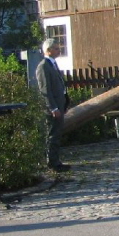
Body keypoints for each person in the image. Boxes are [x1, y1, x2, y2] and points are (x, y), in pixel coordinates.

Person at [35, 38, 70, 173]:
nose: (58, 50)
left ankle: (56, 160)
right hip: (52, 107)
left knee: (57, 134)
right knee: (52, 134)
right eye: (56, 48)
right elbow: (45, 90)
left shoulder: (52, 64)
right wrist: (53, 107)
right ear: (48, 51)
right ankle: (52, 163)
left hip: (60, 104)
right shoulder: (43, 66)